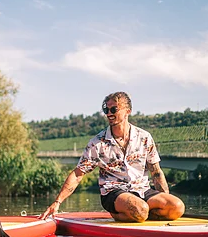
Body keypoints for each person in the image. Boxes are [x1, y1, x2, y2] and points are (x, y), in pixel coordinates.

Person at [40, 91, 185, 222]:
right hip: (114, 192)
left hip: (142, 190)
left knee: (177, 207)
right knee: (140, 209)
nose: (109, 113)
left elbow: (156, 171)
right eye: (106, 110)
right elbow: (78, 174)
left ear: (128, 111)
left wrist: (165, 200)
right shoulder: (97, 143)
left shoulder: (144, 137)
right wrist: (57, 202)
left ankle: (140, 213)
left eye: (114, 109)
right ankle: (121, 214)